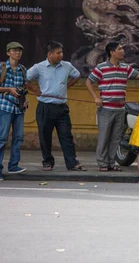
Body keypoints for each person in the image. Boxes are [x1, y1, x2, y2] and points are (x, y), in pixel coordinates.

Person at [86, 42, 139, 171]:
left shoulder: (125, 68)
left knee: (116, 137)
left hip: (120, 109)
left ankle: (111, 162)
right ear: (112, 52)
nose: (122, 51)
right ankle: (102, 163)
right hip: (106, 109)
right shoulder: (101, 68)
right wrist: (96, 97)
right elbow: (89, 81)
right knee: (104, 137)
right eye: (120, 49)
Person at [27, 41, 86, 171]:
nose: (61, 55)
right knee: (45, 136)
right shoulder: (39, 67)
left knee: (66, 135)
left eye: (61, 52)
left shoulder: (67, 66)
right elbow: (25, 78)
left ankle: (72, 162)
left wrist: (67, 86)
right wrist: (35, 89)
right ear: (50, 54)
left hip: (61, 107)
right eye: (58, 52)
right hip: (45, 107)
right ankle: (47, 161)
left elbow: (77, 75)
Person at [0, 42, 28, 179]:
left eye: (19, 51)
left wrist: (25, 99)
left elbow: (23, 88)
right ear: (8, 53)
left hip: (18, 108)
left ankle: (13, 165)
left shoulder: (23, 69)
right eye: (14, 50)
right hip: (4, 107)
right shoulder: (2, 67)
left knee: (18, 137)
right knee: (2, 138)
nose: (17, 53)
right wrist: (9, 90)